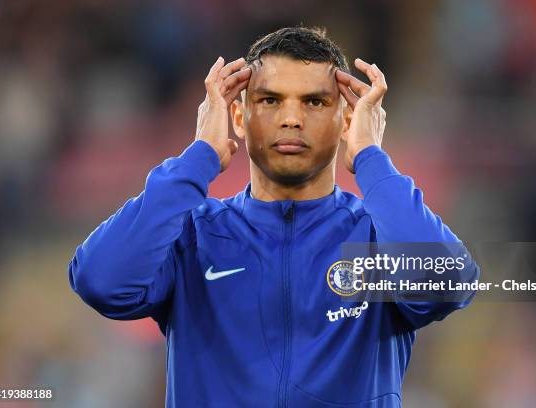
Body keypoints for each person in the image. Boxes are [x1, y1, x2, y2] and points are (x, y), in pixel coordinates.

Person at [69, 26, 478, 407]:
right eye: (270, 100)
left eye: (314, 102)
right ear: (239, 117)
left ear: (347, 120)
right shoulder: (193, 236)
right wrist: (197, 159)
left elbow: (446, 284)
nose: (291, 118)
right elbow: (101, 282)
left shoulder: (378, 240)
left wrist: (371, 159)